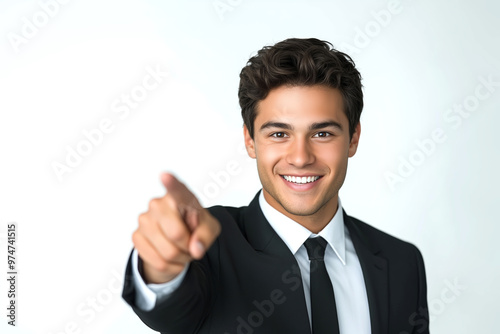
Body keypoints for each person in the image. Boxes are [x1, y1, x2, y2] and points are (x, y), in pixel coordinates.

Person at [122, 38, 430, 334]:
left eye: (322, 134)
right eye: (279, 134)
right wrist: (162, 267)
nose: (300, 158)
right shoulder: (208, 245)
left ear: (353, 138)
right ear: (250, 141)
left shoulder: (402, 263)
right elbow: (170, 309)